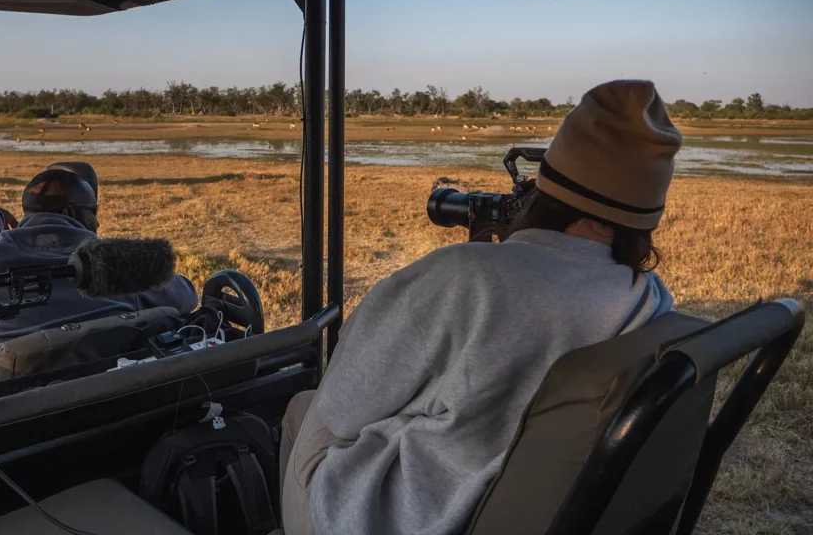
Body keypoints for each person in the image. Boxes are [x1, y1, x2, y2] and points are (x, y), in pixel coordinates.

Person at [280, 80, 683, 535]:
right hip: (534, 510)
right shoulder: (649, 300)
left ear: (545, 187)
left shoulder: (465, 278)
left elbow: (345, 398)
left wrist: (484, 256)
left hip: (411, 518)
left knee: (303, 407)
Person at [0, 161, 198, 360]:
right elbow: (187, 297)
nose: (97, 222)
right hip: (97, 395)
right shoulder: (116, 263)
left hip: (7, 404)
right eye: (94, 211)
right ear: (71, 212)